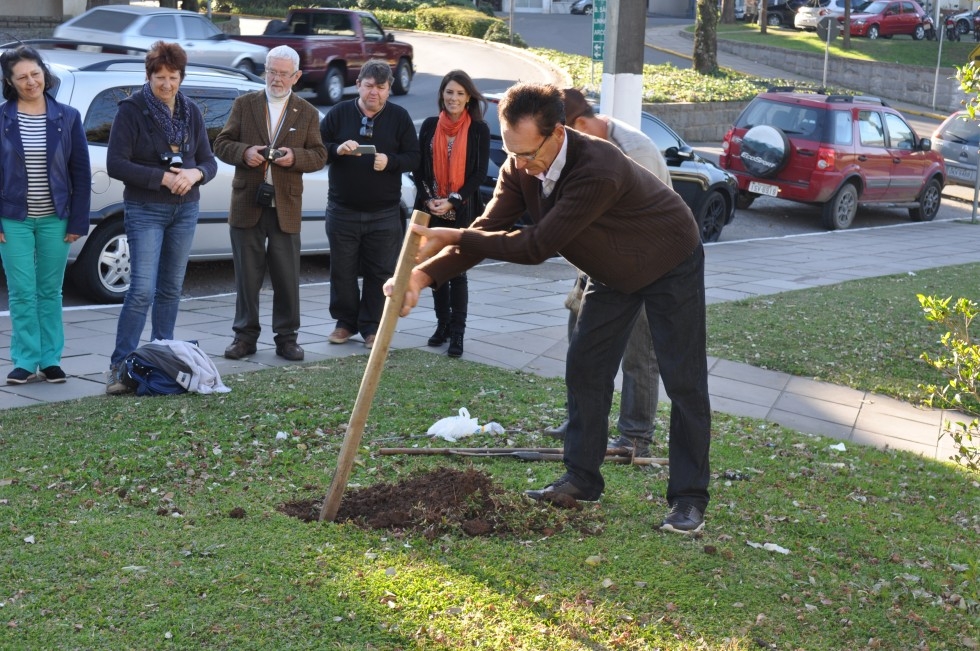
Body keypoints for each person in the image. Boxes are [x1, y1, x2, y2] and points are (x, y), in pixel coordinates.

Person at [386, 83, 711, 535]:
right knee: (585, 367)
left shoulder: (598, 166)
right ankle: (581, 479)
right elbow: (488, 230)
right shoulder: (520, 166)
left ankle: (689, 500)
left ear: (557, 132)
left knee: (684, 380)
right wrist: (422, 277)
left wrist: (454, 236)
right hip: (612, 270)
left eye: (528, 153)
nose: (520, 165)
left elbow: (537, 245)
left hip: (668, 256)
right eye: (511, 152)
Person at [542, 88, 671, 459]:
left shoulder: (636, 152)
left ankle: (635, 436)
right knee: (580, 344)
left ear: (579, 124)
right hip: (597, 261)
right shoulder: (584, 148)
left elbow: (643, 224)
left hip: (649, 262)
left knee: (638, 354)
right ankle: (580, 422)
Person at [104, 41, 217, 395]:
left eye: (173, 77)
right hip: (145, 209)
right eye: (160, 77)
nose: (166, 84)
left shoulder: (191, 111)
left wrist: (195, 174)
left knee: (170, 290)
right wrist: (163, 177)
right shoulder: (132, 110)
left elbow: (209, 162)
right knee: (141, 291)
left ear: (182, 77)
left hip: (185, 209)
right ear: (148, 75)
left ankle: (161, 360)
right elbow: (116, 163)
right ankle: (120, 368)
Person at [213, 45, 327, 362]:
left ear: (297, 76)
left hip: (286, 206)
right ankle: (244, 338)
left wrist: (295, 158)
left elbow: (319, 155)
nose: (276, 79)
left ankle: (287, 339)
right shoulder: (245, 104)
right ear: (265, 71)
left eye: (283, 73)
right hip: (247, 202)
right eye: (271, 71)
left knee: (287, 278)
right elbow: (221, 144)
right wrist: (245, 152)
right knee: (247, 278)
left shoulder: (306, 112)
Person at [0, 46, 90, 385]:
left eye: (35, 73)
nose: (30, 81)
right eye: (21, 77)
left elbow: (80, 172)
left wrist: (78, 220)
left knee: (50, 291)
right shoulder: (2, 118)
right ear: (9, 81)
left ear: (44, 74)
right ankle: (25, 359)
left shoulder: (67, 117)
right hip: (12, 219)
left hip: (57, 218)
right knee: (22, 290)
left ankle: (51, 359)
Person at [320, 59, 420, 350]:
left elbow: (414, 157)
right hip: (342, 209)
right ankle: (344, 323)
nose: (373, 92)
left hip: (385, 211)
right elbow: (316, 150)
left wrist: (392, 162)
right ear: (357, 85)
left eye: (381, 87)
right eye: (368, 85)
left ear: (389, 90)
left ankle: (372, 327)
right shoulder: (339, 114)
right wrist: (336, 150)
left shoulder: (399, 118)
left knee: (380, 272)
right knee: (343, 269)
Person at [413, 70, 490, 358]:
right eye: (449, 92)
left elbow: (479, 173)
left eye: (459, 93)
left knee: (456, 272)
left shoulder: (478, 130)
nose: (453, 98)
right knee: (435, 270)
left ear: (468, 97)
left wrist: (453, 201)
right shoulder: (430, 125)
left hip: (462, 211)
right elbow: (418, 169)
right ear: (442, 95)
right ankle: (442, 325)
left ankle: (458, 332)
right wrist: (431, 198)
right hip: (431, 209)